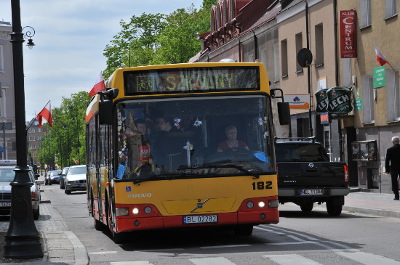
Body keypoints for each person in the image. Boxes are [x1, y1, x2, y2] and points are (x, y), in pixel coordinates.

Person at [385, 136, 400, 200]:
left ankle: (396, 196)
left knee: (394, 181)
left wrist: (387, 170)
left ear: (393, 142)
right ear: (398, 141)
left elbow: (387, 160)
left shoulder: (390, 149)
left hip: (394, 168)